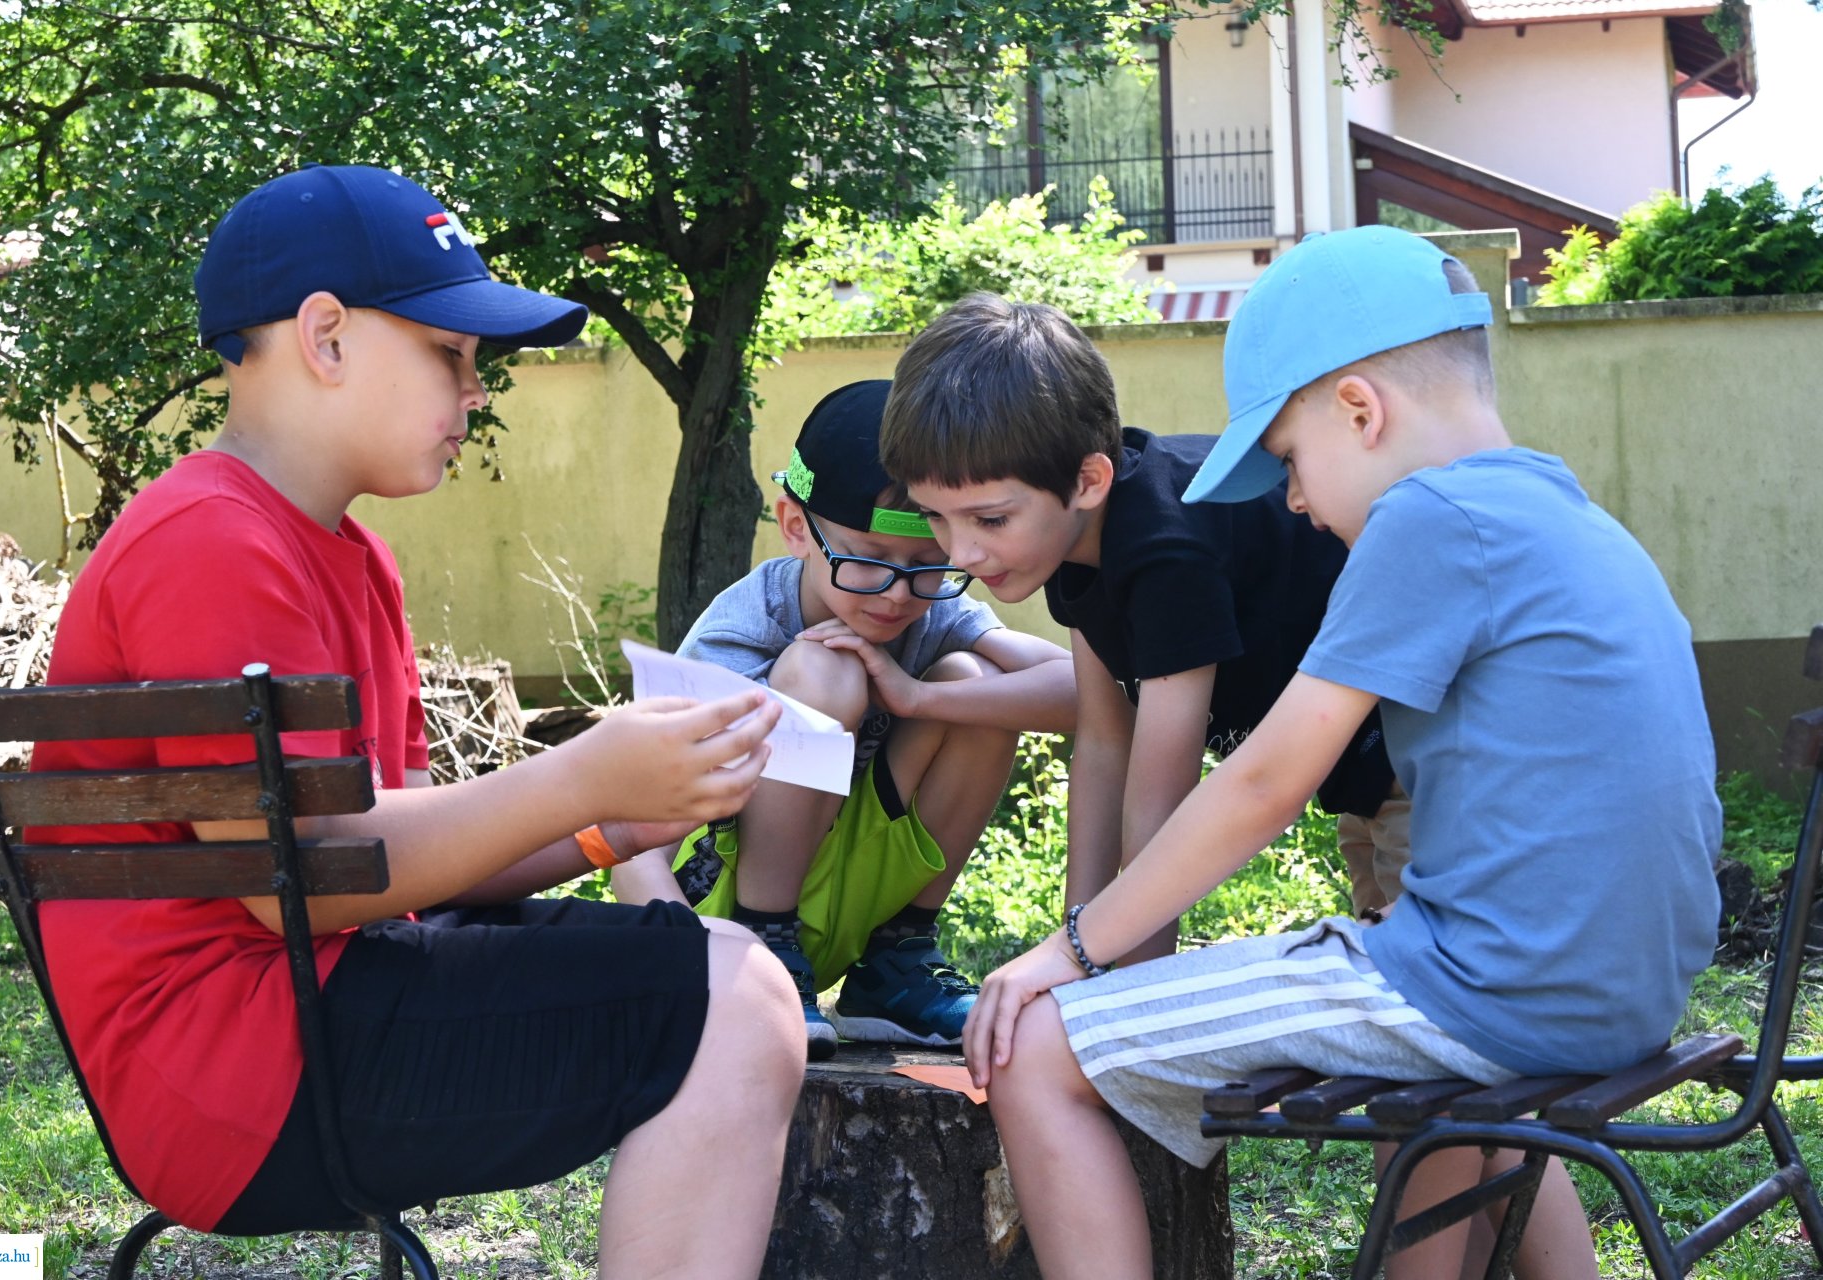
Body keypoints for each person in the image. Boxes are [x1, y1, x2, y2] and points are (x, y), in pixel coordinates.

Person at [27, 164, 803, 1279]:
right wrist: (585, 774)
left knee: (730, 968)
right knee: (733, 1002)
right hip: (237, 1071)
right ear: (327, 337)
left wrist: (620, 821)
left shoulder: (349, 556)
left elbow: (401, 862)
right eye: (450, 350)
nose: (476, 389)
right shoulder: (208, 540)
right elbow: (299, 874)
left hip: (308, 1008)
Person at [951, 226, 1722, 1280]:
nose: (1298, 502)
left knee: (1041, 1048)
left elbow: (1267, 777)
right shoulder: (1571, 514)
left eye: (1287, 462)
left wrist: (1071, 951)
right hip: (1625, 989)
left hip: (1483, 990)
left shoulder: (1427, 518)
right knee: (1444, 1126)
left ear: (1359, 411)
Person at [878, 292, 1404, 971]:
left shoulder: (1164, 546)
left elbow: (1162, 792)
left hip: (1424, 751)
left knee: (1428, 983)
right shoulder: (1073, 548)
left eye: (990, 520)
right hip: (1357, 773)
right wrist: (1077, 947)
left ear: (1088, 481)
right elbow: (1104, 742)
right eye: (936, 519)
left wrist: (1114, 983)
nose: (961, 553)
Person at [613, 379, 1075, 1059]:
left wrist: (916, 698)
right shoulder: (740, 635)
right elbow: (634, 836)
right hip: (719, 916)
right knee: (823, 671)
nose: (897, 594)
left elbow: (1083, 691)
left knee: (976, 684)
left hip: (845, 896)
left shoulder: (932, 607)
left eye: (928, 565)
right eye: (868, 561)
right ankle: (767, 946)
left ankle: (895, 960)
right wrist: (683, 967)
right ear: (798, 529)